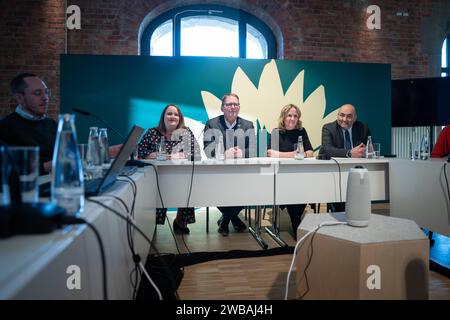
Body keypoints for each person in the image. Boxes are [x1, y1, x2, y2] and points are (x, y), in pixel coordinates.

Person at [138, 104, 201, 234]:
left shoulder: (186, 132)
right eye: (169, 114)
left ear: (180, 118)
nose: (173, 116)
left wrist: (163, 155)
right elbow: (141, 151)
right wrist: (171, 156)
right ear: (163, 117)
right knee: (156, 192)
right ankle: (151, 225)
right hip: (156, 176)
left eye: (176, 114)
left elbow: (196, 152)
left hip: (180, 175)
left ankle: (179, 222)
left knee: (186, 186)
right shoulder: (152, 132)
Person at [203, 93, 256, 236]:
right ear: (222, 108)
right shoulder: (212, 123)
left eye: (236, 104)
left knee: (249, 189)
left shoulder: (248, 125)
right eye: (229, 104)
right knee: (214, 190)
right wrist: (224, 154)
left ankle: (225, 219)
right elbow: (208, 149)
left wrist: (241, 153)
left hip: (242, 173)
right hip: (219, 174)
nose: (233, 107)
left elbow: (253, 149)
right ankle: (233, 219)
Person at [268, 104, 314, 239]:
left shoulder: (301, 131)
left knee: (305, 188)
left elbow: (310, 152)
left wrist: (302, 154)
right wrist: (293, 154)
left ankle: (296, 218)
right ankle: (296, 224)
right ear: (283, 117)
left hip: (300, 174)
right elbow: (270, 152)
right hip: (281, 175)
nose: (292, 118)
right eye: (289, 115)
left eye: (295, 116)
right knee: (291, 188)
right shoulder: (277, 132)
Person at [0, 73, 56, 175]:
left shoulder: (51, 124)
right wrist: (46, 166)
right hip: (27, 188)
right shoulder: (5, 127)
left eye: (47, 92)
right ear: (20, 98)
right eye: (38, 93)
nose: (45, 98)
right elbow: (7, 170)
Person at [319, 103, 371, 212]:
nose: (344, 119)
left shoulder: (363, 128)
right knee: (340, 197)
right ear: (337, 116)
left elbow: (368, 148)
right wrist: (350, 153)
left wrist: (367, 151)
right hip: (335, 172)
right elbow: (328, 149)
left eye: (349, 116)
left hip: (356, 171)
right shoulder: (328, 128)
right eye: (341, 115)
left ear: (355, 118)